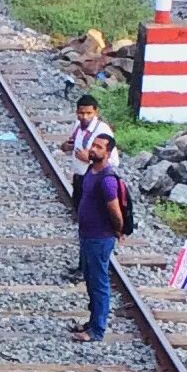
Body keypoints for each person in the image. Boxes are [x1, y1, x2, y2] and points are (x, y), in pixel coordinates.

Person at [72, 132, 123, 343]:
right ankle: (92, 322)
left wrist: (117, 230)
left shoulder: (107, 180)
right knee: (91, 281)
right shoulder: (91, 170)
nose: (94, 149)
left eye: (100, 147)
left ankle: (97, 330)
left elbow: (115, 210)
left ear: (108, 153)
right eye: (93, 145)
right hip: (87, 235)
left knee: (99, 283)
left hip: (99, 238)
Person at [60, 94, 117, 178]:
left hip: (95, 180)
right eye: (81, 113)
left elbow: (114, 162)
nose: (85, 117)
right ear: (77, 112)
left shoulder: (102, 130)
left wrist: (89, 160)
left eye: (89, 113)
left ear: (96, 112)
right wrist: (65, 147)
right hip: (78, 177)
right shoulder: (78, 125)